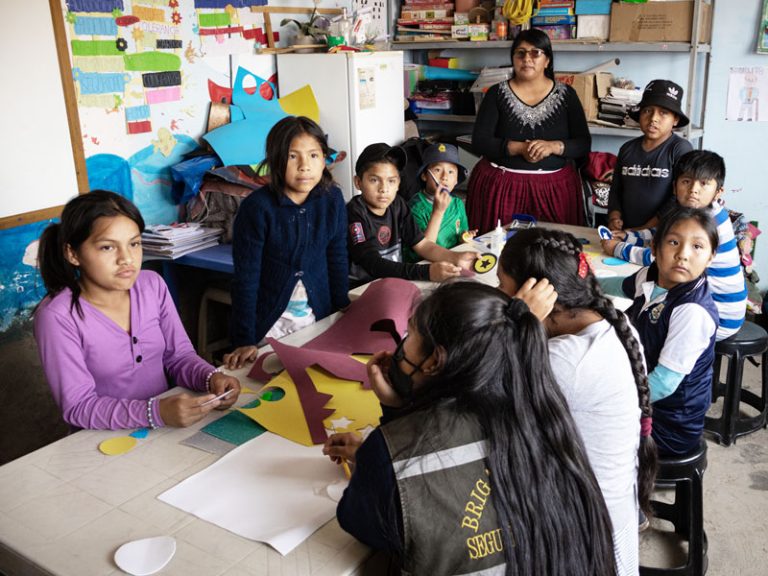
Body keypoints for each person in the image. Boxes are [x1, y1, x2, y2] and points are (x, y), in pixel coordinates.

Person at [323, 282, 616, 575]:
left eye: (410, 333)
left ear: (435, 361)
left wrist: (388, 438)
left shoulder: (391, 454)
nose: (401, 343)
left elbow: (357, 521)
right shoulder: (547, 417)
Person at [499, 228, 657, 573]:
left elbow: (481, 385)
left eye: (503, 285)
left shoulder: (566, 360)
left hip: (585, 542)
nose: (499, 295)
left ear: (535, 294)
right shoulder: (613, 323)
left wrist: (517, 320)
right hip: (609, 521)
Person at [34, 190, 241, 430]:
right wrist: (155, 412)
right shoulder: (57, 317)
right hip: (103, 440)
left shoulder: (152, 285)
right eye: (107, 248)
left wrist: (211, 378)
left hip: (164, 428)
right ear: (73, 253)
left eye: (134, 243)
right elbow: (78, 406)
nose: (127, 259)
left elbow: (179, 357)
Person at [225, 116, 350, 369]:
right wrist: (244, 339)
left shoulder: (332, 199)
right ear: (275, 159)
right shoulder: (257, 209)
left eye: (314, 156)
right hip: (270, 327)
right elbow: (246, 278)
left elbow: (337, 257)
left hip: (318, 320)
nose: (305, 166)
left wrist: (342, 310)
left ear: (324, 159)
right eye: (293, 156)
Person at [601, 207, 719, 457]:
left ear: (711, 257)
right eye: (674, 242)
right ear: (654, 248)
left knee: (577, 428)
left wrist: (610, 400)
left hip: (669, 426)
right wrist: (580, 283)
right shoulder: (651, 275)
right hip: (647, 400)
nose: (683, 255)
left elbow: (664, 384)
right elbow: (615, 286)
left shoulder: (692, 311)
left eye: (697, 247)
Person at [602, 150, 747, 340]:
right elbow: (661, 234)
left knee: (641, 318)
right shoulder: (690, 213)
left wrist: (617, 248)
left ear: (718, 192)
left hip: (720, 316)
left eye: (704, 184)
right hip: (709, 306)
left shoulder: (711, 223)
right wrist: (629, 236)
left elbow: (664, 258)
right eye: (686, 181)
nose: (693, 189)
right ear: (674, 186)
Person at [467, 28, 591, 232]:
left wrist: (553, 147)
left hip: (554, 191)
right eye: (520, 53)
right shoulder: (496, 94)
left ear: (547, 60)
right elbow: (479, 141)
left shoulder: (567, 95)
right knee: (497, 252)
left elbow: (583, 143)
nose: (527, 59)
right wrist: (517, 148)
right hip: (501, 189)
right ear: (513, 58)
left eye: (536, 53)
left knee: (553, 254)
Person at [346, 142, 476, 286]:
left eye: (391, 181)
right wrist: (427, 272)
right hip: (362, 289)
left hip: (393, 282)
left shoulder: (398, 204)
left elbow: (422, 244)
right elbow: (373, 264)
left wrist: (456, 257)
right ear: (358, 182)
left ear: (398, 183)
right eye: (374, 180)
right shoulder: (354, 213)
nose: (384, 189)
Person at [607, 79, 694, 231]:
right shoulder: (627, 149)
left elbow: (680, 198)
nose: (653, 118)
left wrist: (645, 228)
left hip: (663, 232)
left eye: (663, 113)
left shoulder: (680, 149)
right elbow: (616, 189)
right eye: (647, 111)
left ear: (675, 119)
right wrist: (614, 216)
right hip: (626, 231)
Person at [405, 142, 473, 262]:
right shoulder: (415, 208)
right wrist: (438, 211)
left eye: (451, 172)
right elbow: (423, 251)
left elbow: (461, 234)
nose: (444, 177)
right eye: (437, 170)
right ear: (424, 175)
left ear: (456, 180)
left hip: (453, 259)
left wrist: (464, 237)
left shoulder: (458, 204)